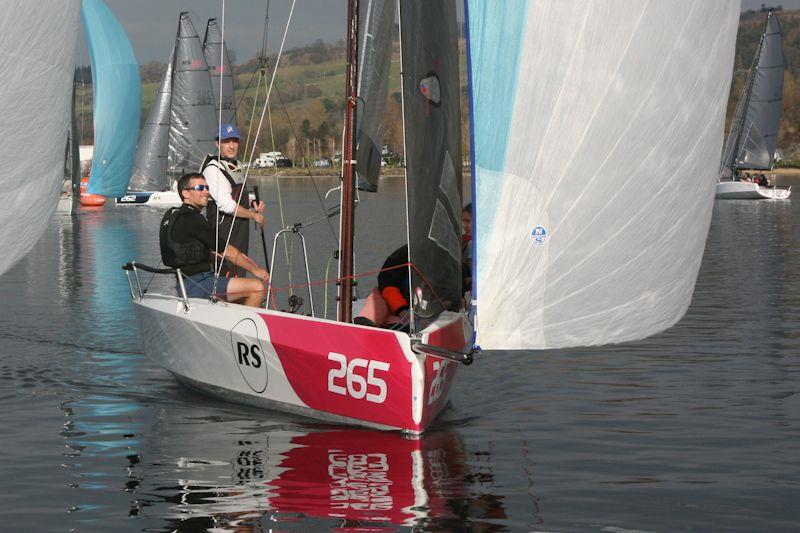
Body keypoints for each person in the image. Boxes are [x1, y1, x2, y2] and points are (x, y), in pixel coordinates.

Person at [160, 172, 269, 307]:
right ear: (186, 193)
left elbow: (184, 251)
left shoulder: (175, 215)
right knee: (257, 287)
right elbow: (226, 250)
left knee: (241, 293)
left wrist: (212, 255)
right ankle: (240, 327)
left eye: (207, 188)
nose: (206, 192)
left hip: (184, 283)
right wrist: (255, 270)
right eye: (200, 188)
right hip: (199, 284)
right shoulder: (193, 219)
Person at [201, 123, 265, 277]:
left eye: (235, 141)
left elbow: (235, 193)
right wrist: (254, 215)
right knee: (226, 274)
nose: (231, 146)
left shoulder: (235, 166)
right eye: (226, 141)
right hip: (223, 233)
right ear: (217, 143)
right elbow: (226, 205)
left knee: (239, 271)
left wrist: (252, 202)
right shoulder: (212, 169)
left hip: (239, 232)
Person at [353, 245, 411, 331]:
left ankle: (392, 328)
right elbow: (386, 280)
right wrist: (401, 309)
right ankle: (364, 324)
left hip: (414, 308)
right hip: (391, 299)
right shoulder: (405, 253)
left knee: (398, 327)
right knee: (378, 297)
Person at [461, 203, 472, 296]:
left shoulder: (472, 244)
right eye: (463, 222)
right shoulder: (464, 241)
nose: (464, 226)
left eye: (467, 221)